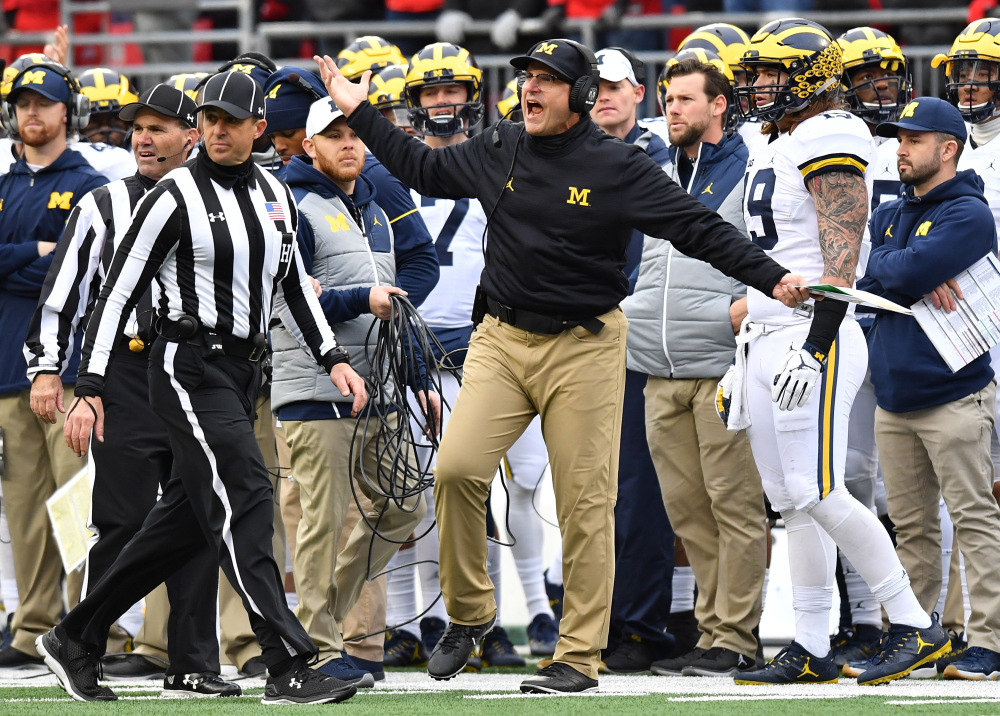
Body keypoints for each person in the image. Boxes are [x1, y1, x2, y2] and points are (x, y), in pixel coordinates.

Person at [316, 36, 808, 694]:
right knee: (457, 470)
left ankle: (576, 656)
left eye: (548, 80)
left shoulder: (618, 166)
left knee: (585, 503)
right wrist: (365, 111)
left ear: (579, 96)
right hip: (502, 338)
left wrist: (771, 277)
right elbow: (423, 170)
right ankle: (469, 615)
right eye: (527, 77)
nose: (531, 89)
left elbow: (698, 226)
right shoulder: (501, 146)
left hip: (585, 343)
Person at [35, 71, 365, 706]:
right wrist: (92, 382)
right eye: (209, 118)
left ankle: (75, 635)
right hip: (187, 365)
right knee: (246, 496)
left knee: (182, 524)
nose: (216, 129)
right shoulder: (173, 195)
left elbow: (292, 285)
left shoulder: (274, 193)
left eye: (231, 120)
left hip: (242, 371)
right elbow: (117, 292)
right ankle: (286, 661)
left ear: (257, 129)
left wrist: (333, 357)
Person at [728, 18, 948, 686]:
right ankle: (813, 642)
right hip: (766, 334)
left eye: (769, 72)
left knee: (816, 488)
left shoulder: (831, 131)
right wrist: (746, 338)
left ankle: (913, 623)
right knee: (790, 500)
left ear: (810, 77)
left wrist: (816, 342)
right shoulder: (782, 138)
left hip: (810, 334)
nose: (756, 85)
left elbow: (841, 252)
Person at [23, 83, 240, 695]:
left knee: (199, 515)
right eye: (137, 128)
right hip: (124, 369)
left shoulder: (221, 200)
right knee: (120, 518)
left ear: (190, 136)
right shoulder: (102, 204)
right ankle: (86, 648)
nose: (143, 139)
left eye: (159, 128)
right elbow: (61, 296)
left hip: (199, 370)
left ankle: (193, 662)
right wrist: (49, 369)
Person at [383, 41, 554, 669]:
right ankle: (429, 620)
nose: (444, 103)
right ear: (413, 102)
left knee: (524, 486)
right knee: (428, 490)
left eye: (453, 91)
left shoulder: (500, 161)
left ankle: (532, 609)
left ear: (473, 97)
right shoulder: (393, 169)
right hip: (415, 347)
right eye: (431, 92)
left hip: (494, 343)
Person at [272, 95, 438, 686]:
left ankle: (318, 624)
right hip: (317, 389)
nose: (349, 142)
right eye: (333, 134)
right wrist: (355, 301)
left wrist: (419, 376)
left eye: (353, 133)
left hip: (385, 386)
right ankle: (317, 650)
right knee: (321, 522)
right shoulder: (289, 206)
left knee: (405, 507)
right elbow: (285, 300)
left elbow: (394, 302)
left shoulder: (370, 208)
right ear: (308, 145)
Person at [631, 54, 767, 679]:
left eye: (686, 99)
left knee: (733, 504)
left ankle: (736, 636)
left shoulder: (752, 166)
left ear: (719, 104)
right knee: (687, 510)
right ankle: (714, 631)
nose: (672, 109)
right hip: (658, 366)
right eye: (668, 99)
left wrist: (744, 307)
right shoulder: (656, 169)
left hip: (721, 363)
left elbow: (780, 247)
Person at [857, 96, 1000, 682]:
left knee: (973, 518)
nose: (901, 148)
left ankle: (987, 639)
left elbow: (900, 272)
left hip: (953, 391)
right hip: (895, 392)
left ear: (948, 148)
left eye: (914, 140)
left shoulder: (969, 213)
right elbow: (868, 269)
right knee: (909, 526)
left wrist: (905, 268)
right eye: (899, 138)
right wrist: (906, 267)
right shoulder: (890, 212)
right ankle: (915, 634)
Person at [0, 60, 107, 670]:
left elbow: (79, 277)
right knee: (24, 510)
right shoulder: (6, 182)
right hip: (7, 367)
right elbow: (49, 267)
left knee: (77, 506)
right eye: (22, 103)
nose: (31, 113)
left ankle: (86, 623)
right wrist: (35, 251)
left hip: (66, 367)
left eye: (43, 102)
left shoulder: (90, 182)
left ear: (67, 111)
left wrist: (18, 266)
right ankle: (30, 626)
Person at [587, 44, 676, 675]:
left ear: (637, 92)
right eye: (594, 87)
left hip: (641, 334)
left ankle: (643, 625)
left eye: (615, 86)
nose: (604, 96)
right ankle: (595, 619)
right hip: (579, 334)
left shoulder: (662, 159)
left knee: (641, 489)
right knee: (586, 491)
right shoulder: (560, 155)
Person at [830, 25, 911, 672]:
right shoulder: (830, 140)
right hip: (849, 314)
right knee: (850, 477)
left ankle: (924, 617)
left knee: (908, 489)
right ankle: (861, 617)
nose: (878, 90)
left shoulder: (923, 145)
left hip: (907, 319)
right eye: (864, 78)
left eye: (887, 76)